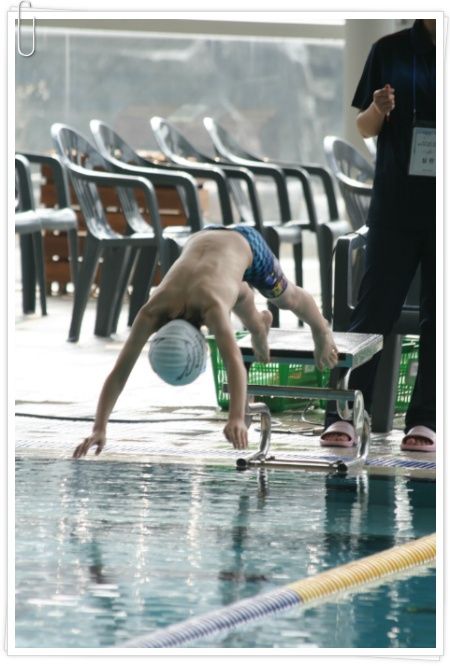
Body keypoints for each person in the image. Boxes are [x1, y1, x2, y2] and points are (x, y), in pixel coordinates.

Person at [73, 224, 338, 457]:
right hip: (204, 238)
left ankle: (321, 328)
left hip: (247, 245)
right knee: (231, 288)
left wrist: (236, 417)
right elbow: (119, 374)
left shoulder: (212, 308)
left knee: (287, 298)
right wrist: (99, 427)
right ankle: (258, 325)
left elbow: (234, 362)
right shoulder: (151, 312)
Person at [321, 19, 436, 452]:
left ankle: (426, 420)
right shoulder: (389, 50)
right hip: (396, 204)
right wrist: (378, 108)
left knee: (439, 316)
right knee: (374, 309)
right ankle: (344, 413)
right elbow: (365, 127)